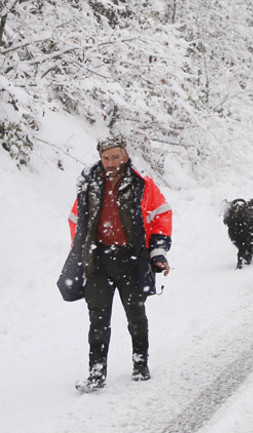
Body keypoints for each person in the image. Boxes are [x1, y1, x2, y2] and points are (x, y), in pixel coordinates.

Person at [57, 135, 172, 393]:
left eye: (115, 157)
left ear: (125, 155)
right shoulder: (90, 184)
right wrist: (82, 251)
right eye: (106, 157)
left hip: (131, 260)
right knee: (98, 320)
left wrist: (157, 251)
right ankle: (96, 373)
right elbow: (76, 219)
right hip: (99, 261)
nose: (111, 162)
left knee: (136, 316)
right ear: (100, 157)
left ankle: (140, 363)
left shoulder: (142, 183)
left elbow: (162, 213)